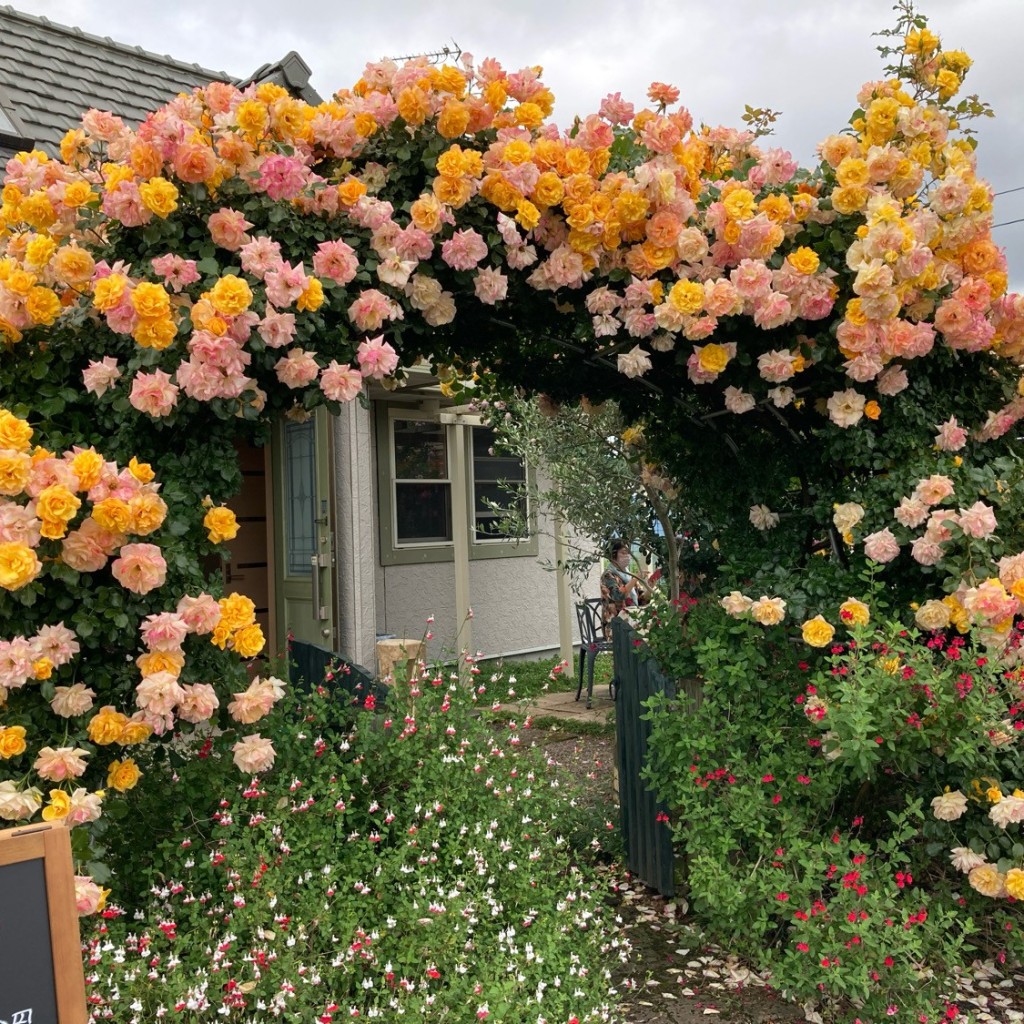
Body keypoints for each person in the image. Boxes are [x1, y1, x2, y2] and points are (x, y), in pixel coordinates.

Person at [600, 540, 648, 636]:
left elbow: (642, 599)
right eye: (623, 553)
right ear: (613, 555)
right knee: (645, 635)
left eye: (629, 553)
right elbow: (618, 596)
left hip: (632, 620)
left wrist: (650, 585)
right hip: (616, 626)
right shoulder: (608, 575)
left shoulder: (628, 574)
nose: (627, 556)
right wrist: (635, 578)